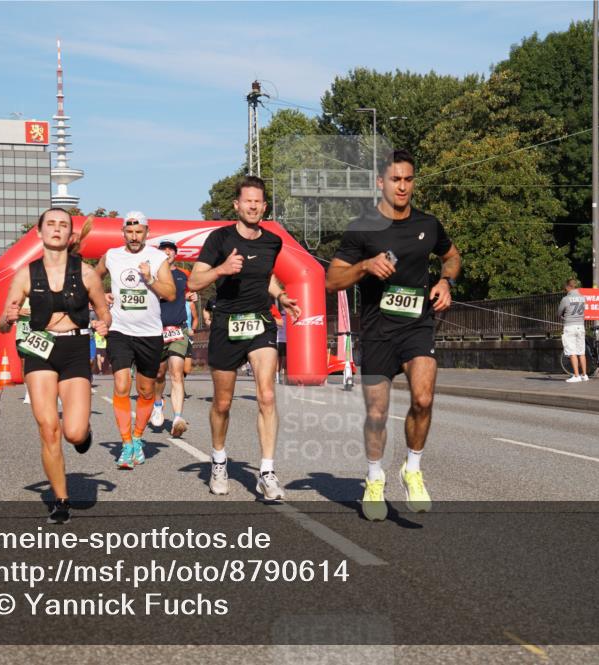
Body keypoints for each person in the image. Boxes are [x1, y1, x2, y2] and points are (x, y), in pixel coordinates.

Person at [326, 150, 461, 521]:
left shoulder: (428, 225)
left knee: (423, 396)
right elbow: (332, 279)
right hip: (378, 332)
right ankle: (373, 478)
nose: (403, 186)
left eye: (408, 179)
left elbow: (452, 256)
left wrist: (446, 281)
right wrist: (365, 265)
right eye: (395, 179)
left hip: (417, 326)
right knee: (376, 413)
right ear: (380, 183)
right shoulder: (363, 228)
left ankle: (412, 469)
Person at [188, 175, 300, 500]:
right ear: (236, 205)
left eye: (258, 201)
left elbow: (266, 278)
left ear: (264, 206)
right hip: (226, 324)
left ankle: (266, 471)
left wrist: (280, 296)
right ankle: (219, 460)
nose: (252, 206)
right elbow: (194, 282)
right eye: (246, 200)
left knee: (266, 395)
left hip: (260, 322)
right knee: (222, 404)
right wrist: (221, 269)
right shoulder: (219, 238)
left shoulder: (272, 242)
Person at [0, 208, 111, 524]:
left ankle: (83, 434)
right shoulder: (25, 274)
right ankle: (61, 501)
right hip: (39, 351)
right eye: (51, 224)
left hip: (74, 349)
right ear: (39, 232)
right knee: (49, 428)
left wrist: (103, 324)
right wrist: (8, 319)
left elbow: (104, 312)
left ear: (71, 235)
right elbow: (5, 324)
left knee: (72, 433)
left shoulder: (86, 273)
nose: (57, 229)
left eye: (63, 225)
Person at [95, 211, 176, 469]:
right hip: (120, 330)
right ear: (123, 232)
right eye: (129, 232)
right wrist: (100, 297)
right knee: (121, 385)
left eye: (138, 232)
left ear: (146, 232)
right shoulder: (111, 255)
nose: (133, 236)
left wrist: (150, 278)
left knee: (146, 390)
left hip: (150, 333)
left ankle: (138, 437)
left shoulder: (157, 257)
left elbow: (171, 293)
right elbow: (91, 279)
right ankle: (126, 442)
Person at [151, 240, 194, 438]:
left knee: (176, 372)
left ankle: (178, 417)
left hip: (178, 330)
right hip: (156, 330)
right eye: (163, 251)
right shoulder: (151, 275)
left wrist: (192, 295)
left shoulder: (183, 275)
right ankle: (158, 404)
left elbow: (194, 288)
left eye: (171, 251)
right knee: (159, 374)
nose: (167, 253)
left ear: (176, 255)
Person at [559, 278, 588, 383]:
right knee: (581, 352)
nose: (565, 290)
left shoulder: (565, 299)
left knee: (572, 352)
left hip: (570, 327)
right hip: (581, 326)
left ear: (568, 287)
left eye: (565, 288)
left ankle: (576, 376)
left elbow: (559, 313)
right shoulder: (583, 298)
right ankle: (584, 375)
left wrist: (564, 317)